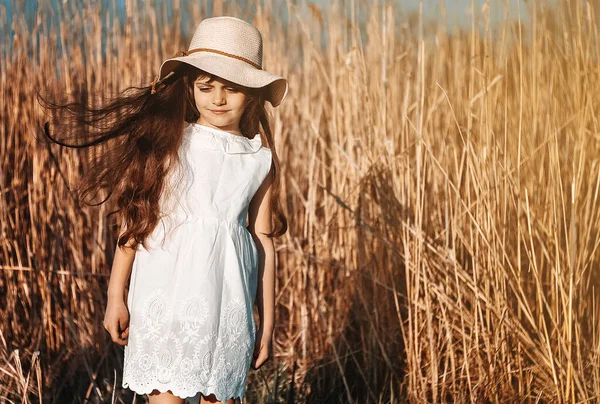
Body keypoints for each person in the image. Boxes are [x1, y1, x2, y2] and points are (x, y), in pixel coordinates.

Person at [39, 15, 288, 404]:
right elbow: (137, 221)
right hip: (165, 297)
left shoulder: (258, 159)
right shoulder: (172, 144)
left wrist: (267, 324)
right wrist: (115, 295)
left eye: (232, 90)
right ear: (191, 88)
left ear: (253, 94)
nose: (218, 100)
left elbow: (264, 242)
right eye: (206, 87)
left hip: (228, 305)